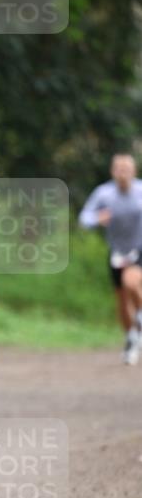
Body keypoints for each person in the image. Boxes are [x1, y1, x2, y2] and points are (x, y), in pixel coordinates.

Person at [78, 153, 142, 365]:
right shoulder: (104, 193)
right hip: (116, 252)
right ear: (113, 171)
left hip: (139, 249)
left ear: (134, 171)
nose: (123, 173)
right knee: (122, 299)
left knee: (131, 281)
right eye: (119, 169)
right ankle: (131, 338)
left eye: (127, 169)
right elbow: (84, 218)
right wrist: (97, 218)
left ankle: (140, 316)